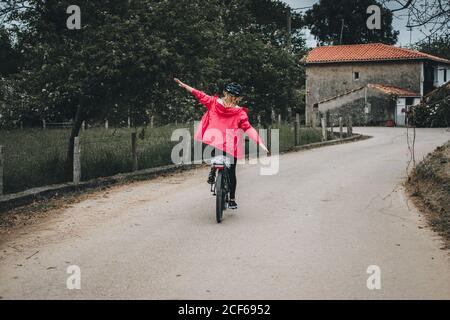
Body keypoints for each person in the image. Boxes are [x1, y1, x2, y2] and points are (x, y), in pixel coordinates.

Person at [174, 78, 269, 209]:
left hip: (213, 141)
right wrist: (261, 143)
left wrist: (184, 86)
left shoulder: (213, 103)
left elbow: (198, 93)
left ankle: (214, 168)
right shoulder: (240, 113)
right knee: (231, 173)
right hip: (230, 145)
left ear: (225, 93)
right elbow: (248, 128)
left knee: (215, 153)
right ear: (238, 98)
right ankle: (232, 199)